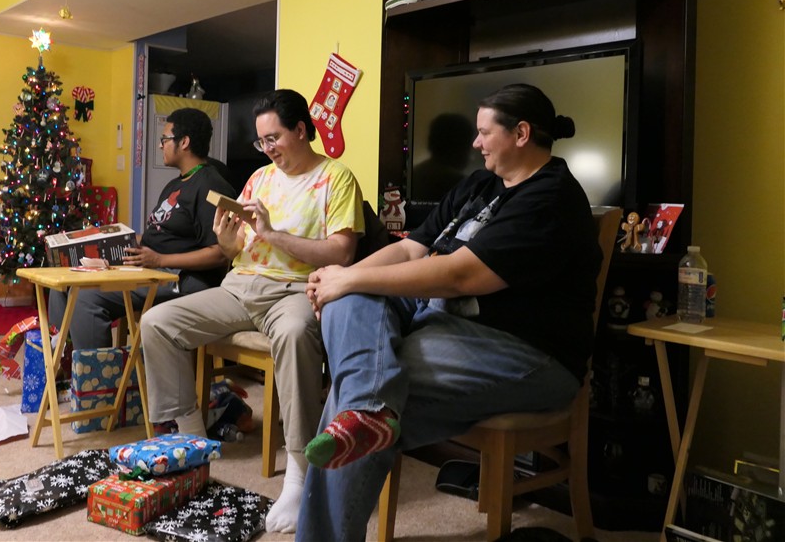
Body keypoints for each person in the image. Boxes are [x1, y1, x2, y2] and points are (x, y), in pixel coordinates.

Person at [297, 84, 602, 539]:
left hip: (528, 354)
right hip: (441, 323)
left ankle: (365, 412)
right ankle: (368, 411)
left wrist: (349, 279)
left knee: (359, 387)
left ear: (521, 133)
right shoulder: (480, 184)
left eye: (484, 132)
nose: (476, 143)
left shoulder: (551, 198)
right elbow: (410, 250)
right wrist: (341, 279)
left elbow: (461, 276)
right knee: (352, 319)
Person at [140, 89, 364, 534]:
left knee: (296, 335)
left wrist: (273, 234)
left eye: (274, 138)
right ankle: (193, 437)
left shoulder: (336, 178)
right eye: (261, 141)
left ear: (301, 130)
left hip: (296, 289)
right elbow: (236, 249)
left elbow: (342, 252)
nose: (268, 149)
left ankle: (299, 471)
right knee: (157, 323)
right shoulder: (259, 179)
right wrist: (227, 241)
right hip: (241, 287)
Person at [48, 108, 235, 349]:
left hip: (179, 278)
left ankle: (97, 373)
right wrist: (106, 236)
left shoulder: (212, 186)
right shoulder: (174, 185)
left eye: (165, 139)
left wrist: (159, 259)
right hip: (149, 267)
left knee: (87, 297)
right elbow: (159, 236)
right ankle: (63, 359)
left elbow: (220, 253)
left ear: (184, 142)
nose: (160, 145)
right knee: (63, 281)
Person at [411, 112, 475, 202]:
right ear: (460, 147)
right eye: (469, 146)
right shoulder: (461, 185)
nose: (472, 157)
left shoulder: (414, 175)